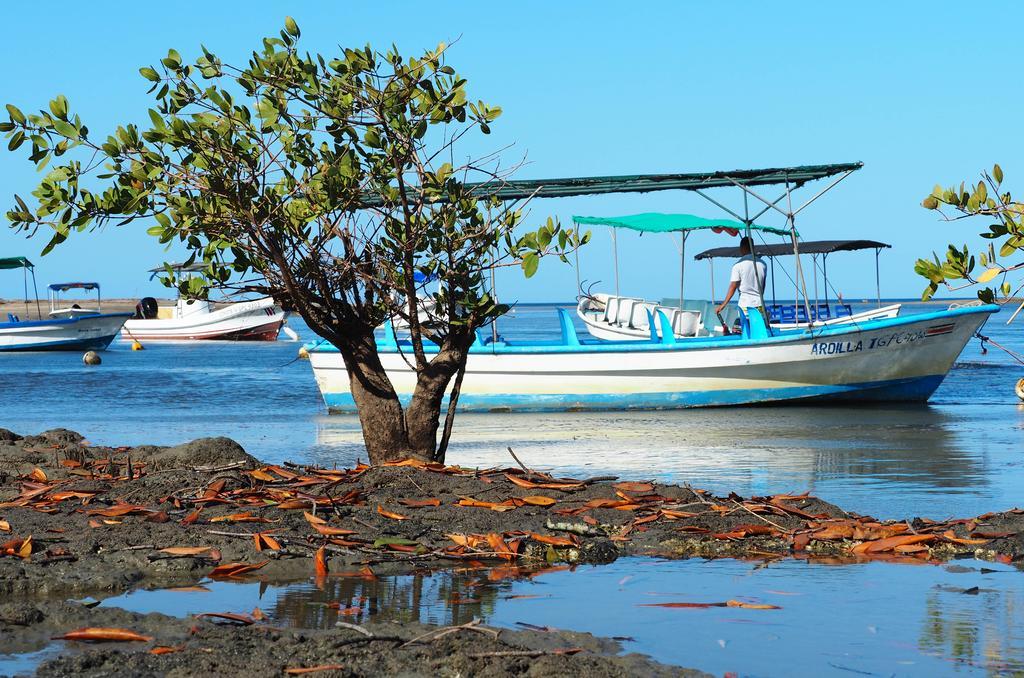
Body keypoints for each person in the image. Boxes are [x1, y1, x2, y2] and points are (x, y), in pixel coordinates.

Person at [715, 236, 767, 329]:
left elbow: (733, 287)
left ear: (742, 248)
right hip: (759, 304)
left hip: (745, 304)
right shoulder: (763, 264)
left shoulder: (738, 265)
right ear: (753, 247)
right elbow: (762, 287)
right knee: (758, 329)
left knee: (746, 330)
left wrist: (723, 305)